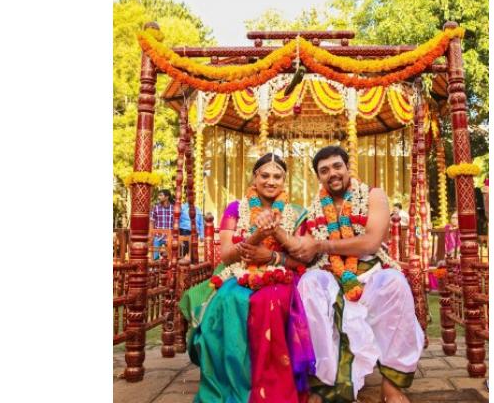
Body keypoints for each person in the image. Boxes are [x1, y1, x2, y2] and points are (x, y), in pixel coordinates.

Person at [287, 146, 424, 403]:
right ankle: (323, 385)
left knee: (395, 283)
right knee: (309, 284)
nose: (332, 173)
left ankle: (392, 385)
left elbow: (370, 243)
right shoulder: (314, 209)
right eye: (324, 170)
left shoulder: (373, 195)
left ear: (348, 167)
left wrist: (321, 245)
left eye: (337, 166)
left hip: (371, 271)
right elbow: (303, 250)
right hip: (330, 272)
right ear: (319, 177)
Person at [179, 153, 316, 403]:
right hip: (237, 271)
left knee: (270, 301)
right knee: (228, 300)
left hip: (282, 274)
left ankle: (271, 385)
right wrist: (257, 235)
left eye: (277, 177)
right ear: (255, 177)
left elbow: (301, 259)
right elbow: (227, 255)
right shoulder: (236, 208)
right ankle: (234, 381)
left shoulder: (296, 212)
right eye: (265, 175)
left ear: (284, 181)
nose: (271, 181)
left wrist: (273, 253)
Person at [149, 189, 174, 260]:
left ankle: (168, 264)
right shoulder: (156, 208)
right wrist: (151, 235)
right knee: (155, 257)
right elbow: (152, 222)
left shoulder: (174, 208)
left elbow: (177, 222)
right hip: (158, 236)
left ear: (167, 197)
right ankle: (155, 264)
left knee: (171, 258)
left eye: (161, 195)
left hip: (170, 237)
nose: (159, 197)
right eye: (159, 195)